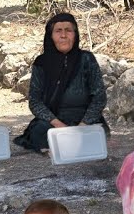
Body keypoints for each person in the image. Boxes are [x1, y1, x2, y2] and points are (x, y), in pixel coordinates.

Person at [14, 12, 109, 153]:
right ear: (51, 36)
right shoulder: (41, 63)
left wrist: (82, 126)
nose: (63, 35)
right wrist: (60, 126)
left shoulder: (87, 59)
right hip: (53, 121)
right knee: (40, 131)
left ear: (75, 35)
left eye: (68, 30)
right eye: (58, 31)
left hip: (85, 120)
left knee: (98, 134)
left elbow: (99, 97)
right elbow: (35, 101)